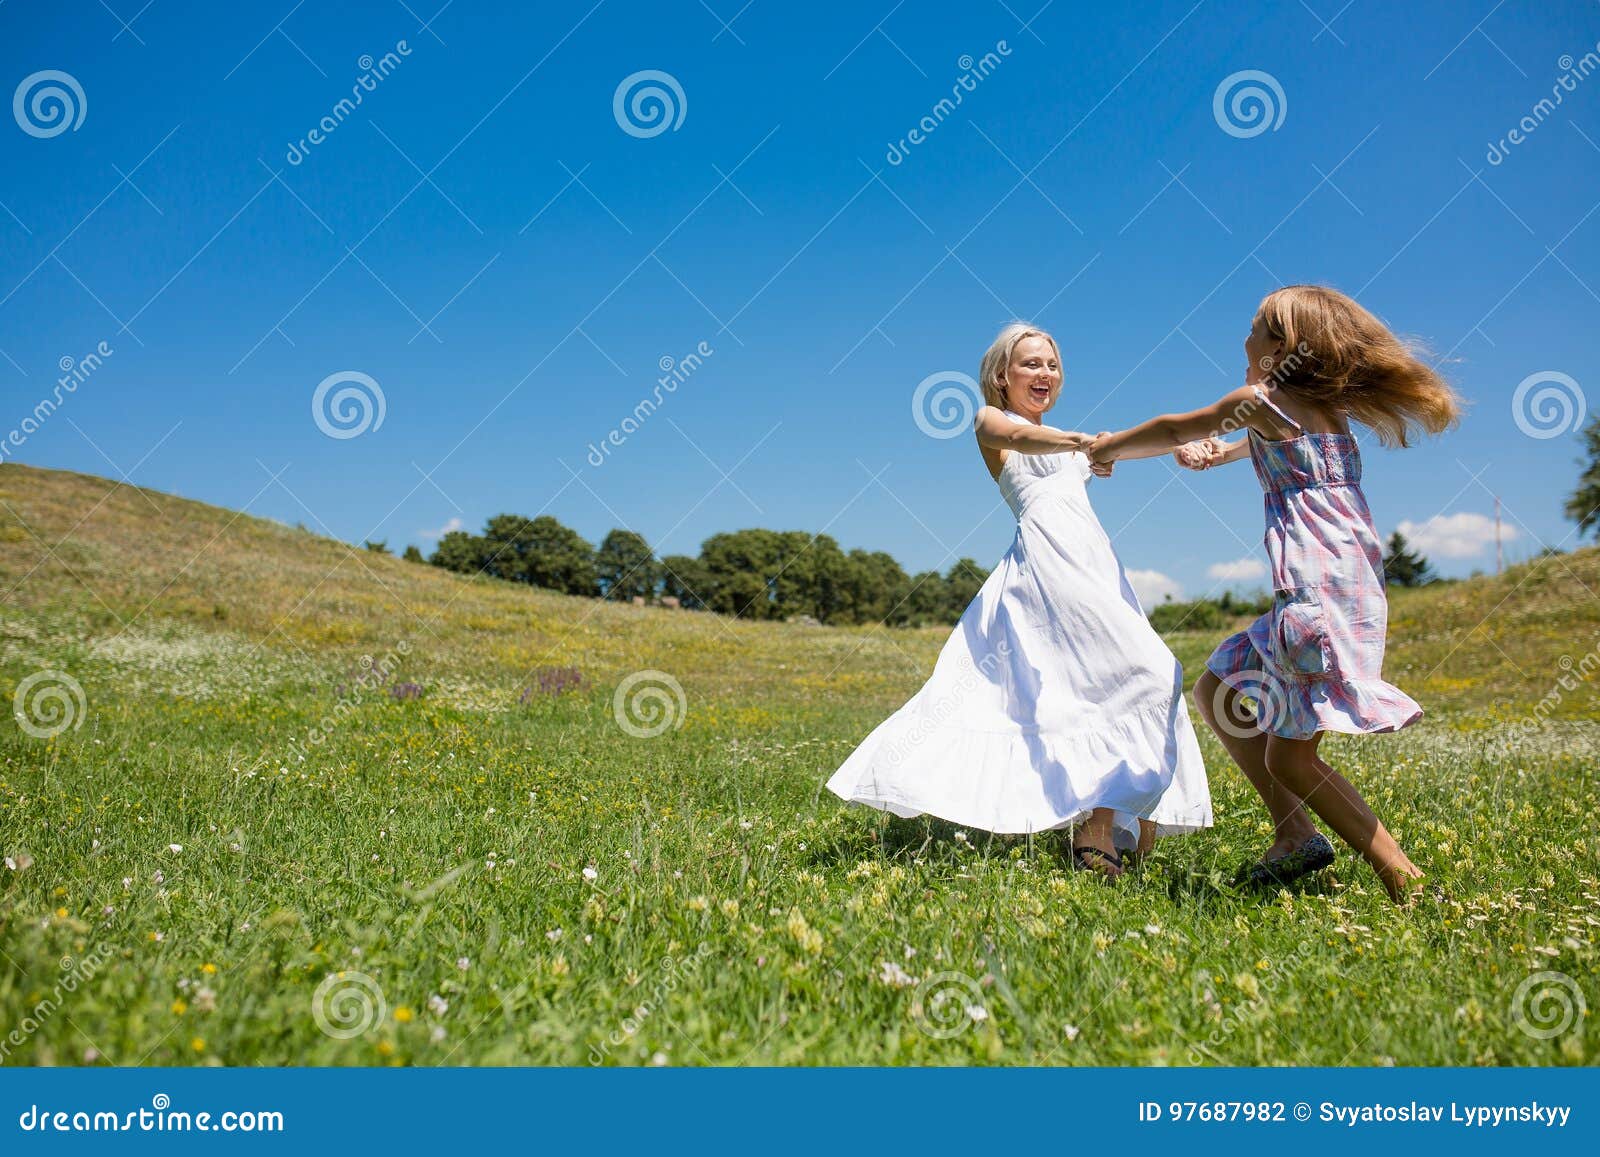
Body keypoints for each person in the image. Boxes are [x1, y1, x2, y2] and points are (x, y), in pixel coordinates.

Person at [1089, 285, 1461, 904]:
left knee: (1292, 761)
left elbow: (1176, 425)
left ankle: (1405, 878)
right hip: (1347, 589)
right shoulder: (1315, 414)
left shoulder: (1259, 400)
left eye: (1256, 329)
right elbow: (1251, 439)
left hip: (1311, 595)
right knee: (1219, 689)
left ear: (1283, 349)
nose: (1244, 339)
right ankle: (1294, 833)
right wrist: (1219, 453)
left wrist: (1110, 449)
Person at [826, 323, 1212, 876]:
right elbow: (1029, 440)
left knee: (1140, 675)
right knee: (1147, 672)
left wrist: (1183, 443)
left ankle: (1115, 811)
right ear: (1001, 376)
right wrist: (1087, 443)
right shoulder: (991, 423)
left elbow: (1129, 442)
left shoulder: (1073, 443)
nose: (1045, 373)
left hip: (1096, 568)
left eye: (1052, 365)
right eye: (1031, 364)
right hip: (1047, 570)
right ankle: (1100, 827)